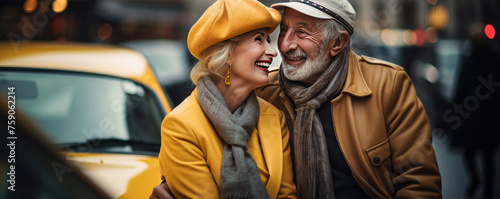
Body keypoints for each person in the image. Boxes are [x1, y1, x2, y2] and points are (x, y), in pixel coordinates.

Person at [152, 0, 442, 198]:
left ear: (337, 43)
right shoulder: (267, 91)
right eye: (284, 31)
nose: (284, 45)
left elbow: (418, 181)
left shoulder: (387, 85)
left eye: (302, 32)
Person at [155, 0, 297, 198]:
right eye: (258, 39)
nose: (273, 51)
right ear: (227, 53)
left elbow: (287, 195)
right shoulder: (180, 126)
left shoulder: (274, 117)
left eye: (268, 40)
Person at [449, 23, 500, 198]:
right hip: (490, 117)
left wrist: (454, 112)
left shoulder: (469, 60)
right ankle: (487, 191)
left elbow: (460, 88)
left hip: (471, 114)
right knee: (488, 155)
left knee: (469, 151)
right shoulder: (495, 59)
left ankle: (476, 181)